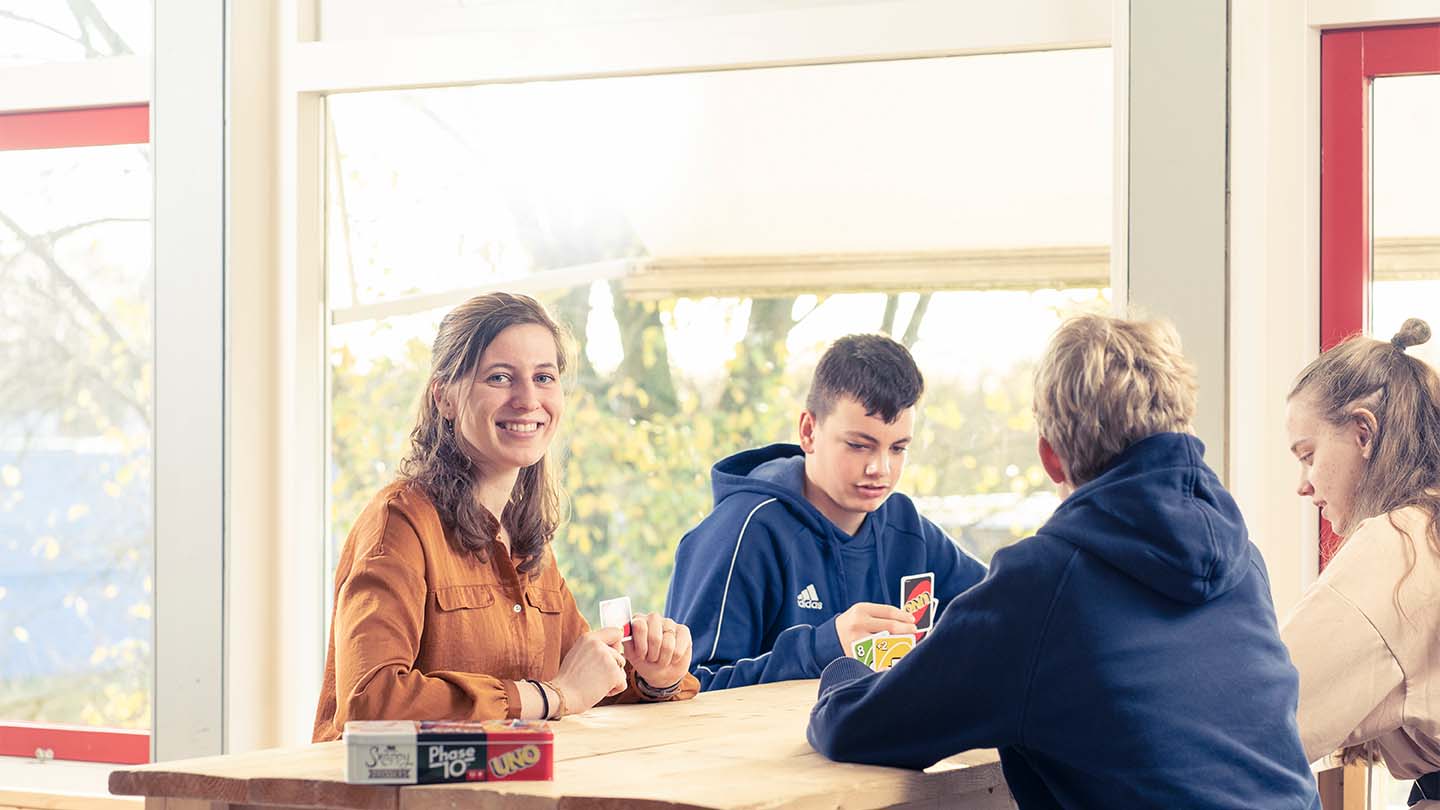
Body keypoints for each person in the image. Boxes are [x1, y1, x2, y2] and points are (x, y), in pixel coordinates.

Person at [806, 314, 1319, 809]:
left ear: (1050, 456)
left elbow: (861, 728)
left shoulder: (1042, 586)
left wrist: (844, 672)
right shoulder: (1244, 566)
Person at [313, 292, 698, 741]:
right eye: (499, 378)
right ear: (445, 397)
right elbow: (370, 705)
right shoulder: (399, 524)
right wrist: (551, 696)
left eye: (544, 377)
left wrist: (653, 675)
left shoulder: (526, 541)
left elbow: (585, 680)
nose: (528, 399)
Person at [665, 333, 987, 691]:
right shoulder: (742, 533)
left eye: (898, 449)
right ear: (808, 432)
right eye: (858, 445)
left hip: (880, 744)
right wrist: (824, 647)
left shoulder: (906, 527)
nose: (879, 468)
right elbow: (685, 688)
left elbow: (1007, 611)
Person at [1281, 318, 1440, 807]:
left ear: (1364, 432)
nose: (1304, 484)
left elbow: (1266, 714)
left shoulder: (1399, 546)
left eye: (1308, 455)